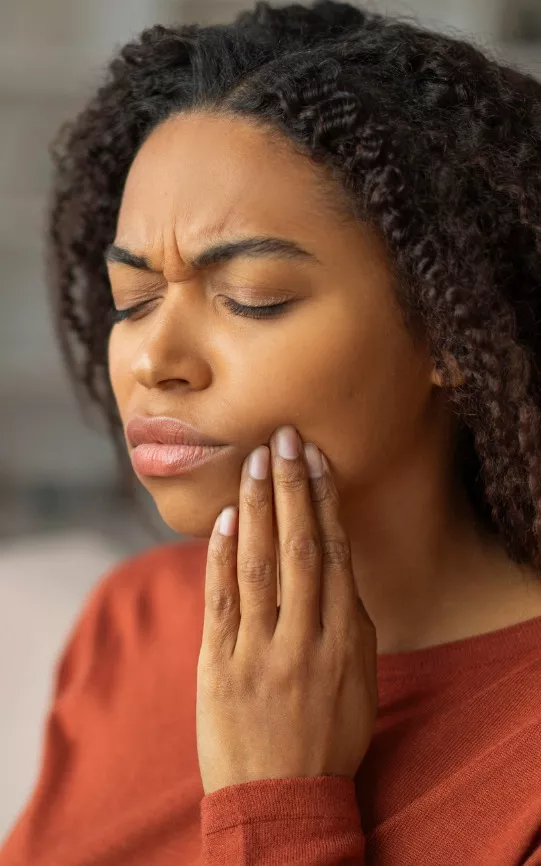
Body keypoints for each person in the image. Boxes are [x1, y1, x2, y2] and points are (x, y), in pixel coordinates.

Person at [2, 0, 541, 862]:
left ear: (451, 329)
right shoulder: (133, 622)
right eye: (133, 301)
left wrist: (279, 799)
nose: (155, 360)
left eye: (252, 296)